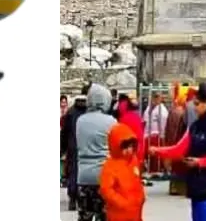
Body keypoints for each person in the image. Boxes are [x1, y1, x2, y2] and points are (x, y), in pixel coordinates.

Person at [151, 82, 206, 221]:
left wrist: (201, 162)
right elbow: (180, 149)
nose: (194, 108)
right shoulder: (196, 126)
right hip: (197, 184)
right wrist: (157, 151)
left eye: (197, 104)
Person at [76, 83, 117, 221]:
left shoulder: (80, 121)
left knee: (85, 215)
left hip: (83, 175)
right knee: (104, 215)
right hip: (104, 174)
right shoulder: (111, 122)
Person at [99, 123, 146, 221]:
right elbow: (106, 189)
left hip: (135, 213)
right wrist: (122, 203)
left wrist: (141, 197)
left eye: (131, 146)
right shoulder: (110, 165)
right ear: (116, 145)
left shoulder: (133, 161)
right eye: (125, 147)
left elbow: (137, 181)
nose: (129, 150)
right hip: (118, 214)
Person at [63, 92, 89, 210]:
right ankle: (81, 198)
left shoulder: (70, 113)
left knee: (73, 172)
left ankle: (73, 198)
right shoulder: (88, 113)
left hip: (73, 146)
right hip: (85, 147)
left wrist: (62, 147)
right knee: (82, 172)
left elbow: (64, 132)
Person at [143, 91, 170, 176]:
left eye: (157, 97)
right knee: (149, 158)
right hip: (147, 136)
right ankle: (150, 171)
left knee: (156, 158)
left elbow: (163, 125)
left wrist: (162, 138)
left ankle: (157, 173)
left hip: (157, 137)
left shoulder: (162, 110)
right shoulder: (148, 108)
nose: (155, 99)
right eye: (154, 97)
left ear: (160, 98)